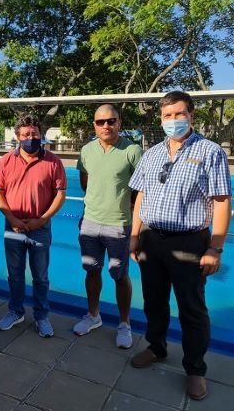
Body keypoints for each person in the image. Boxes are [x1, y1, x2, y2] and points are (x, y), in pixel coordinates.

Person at [128, 91, 231, 400]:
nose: (173, 120)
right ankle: (157, 347)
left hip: (189, 241)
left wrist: (215, 248)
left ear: (191, 115)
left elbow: (222, 201)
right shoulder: (151, 154)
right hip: (152, 239)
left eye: (178, 114)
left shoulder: (210, 152)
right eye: (167, 115)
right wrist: (134, 235)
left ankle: (195, 368)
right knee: (153, 301)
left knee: (191, 308)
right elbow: (141, 196)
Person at [72, 104, 142, 349]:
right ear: (94, 125)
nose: (106, 126)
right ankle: (93, 315)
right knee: (91, 271)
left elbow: (142, 189)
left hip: (118, 224)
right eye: (100, 122)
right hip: (89, 222)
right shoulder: (87, 150)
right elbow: (85, 183)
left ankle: (124, 323)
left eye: (111, 121)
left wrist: (132, 214)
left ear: (119, 123)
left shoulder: (132, 151)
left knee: (120, 276)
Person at [0, 114, 66, 338]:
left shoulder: (53, 161)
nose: (30, 138)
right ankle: (16, 311)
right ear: (18, 137)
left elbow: (60, 195)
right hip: (13, 227)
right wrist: (13, 219)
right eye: (25, 134)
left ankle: (41, 316)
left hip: (40, 228)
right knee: (15, 275)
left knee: (40, 277)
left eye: (34, 133)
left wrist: (42, 220)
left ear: (41, 135)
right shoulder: (5, 161)